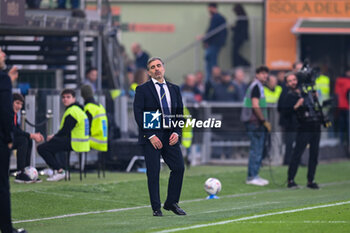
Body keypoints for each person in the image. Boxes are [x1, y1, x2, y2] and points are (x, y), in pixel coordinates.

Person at [133, 57, 186, 217]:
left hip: (170, 135)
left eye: (159, 66)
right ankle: (156, 208)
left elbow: (179, 112)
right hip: (152, 136)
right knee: (154, 172)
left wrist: (177, 131)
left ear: (163, 68)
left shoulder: (174, 89)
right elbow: (138, 114)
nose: (156, 69)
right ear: (149, 72)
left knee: (179, 168)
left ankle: (171, 203)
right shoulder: (142, 89)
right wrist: (150, 135)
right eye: (152, 67)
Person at [0, 48, 28, 233]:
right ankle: (7, 228)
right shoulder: (3, 80)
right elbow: (5, 110)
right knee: (2, 185)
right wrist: (9, 137)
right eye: (0, 52)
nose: (4, 54)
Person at [37, 89, 89, 182]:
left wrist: (54, 136)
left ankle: (60, 171)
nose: (65, 99)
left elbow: (65, 130)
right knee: (52, 145)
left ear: (74, 98)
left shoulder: (72, 111)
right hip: (82, 143)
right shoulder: (79, 110)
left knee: (42, 148)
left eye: (68, 97)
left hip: (74, 142)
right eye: (63, 97)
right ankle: (58, 169)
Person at [284, 73, 322, 189]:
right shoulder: (288, 96)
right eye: (290, 81)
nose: (293, 82)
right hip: (303, 126)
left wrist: (315, 97)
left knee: (314, 154)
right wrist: (296, 106)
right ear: (287, 84)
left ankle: (311, 180)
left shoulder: (306, 92)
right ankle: (291, 180)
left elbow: (315, 106)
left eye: (294, 79)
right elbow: (284, 112)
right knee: (297, 153)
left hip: (315, 125)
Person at [241, 65, 271, 186]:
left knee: (258, 149)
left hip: (256, 122)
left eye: (266, 73)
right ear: (257, 74)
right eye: (262, 73)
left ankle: (255, 175)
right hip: (255, 123)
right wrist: (263, 120)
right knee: (256, 150)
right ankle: (252, 176)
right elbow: (255, 105)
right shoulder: (256, 87)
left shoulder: (258, 86)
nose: (265, 75)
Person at [12, 93, 44, 183]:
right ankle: (20, 173)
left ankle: (27, 172)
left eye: (21, 104)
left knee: (28, 140)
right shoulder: (6, 113)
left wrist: (32, 135)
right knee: (23, 140)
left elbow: (17, 130)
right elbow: (13, 130)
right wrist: (32, 135)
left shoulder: (15, 115)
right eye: (17, 103)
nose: (19, 106)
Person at [203, 3, 227, 81]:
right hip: (214, 43)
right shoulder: (218, 18)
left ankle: (211, 79)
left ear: (212, 8)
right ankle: (211, 78)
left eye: (209, 9)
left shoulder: (216, 17)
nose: (208, 11)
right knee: (210, 59)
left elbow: (212, 30)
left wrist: (205, 39)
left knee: (211, 61)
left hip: (214, 43)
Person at [81, 85, 108, 152]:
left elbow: (86, 129)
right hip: (103, 142)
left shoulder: (88, 108)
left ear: (82, 96)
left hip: (94, 142)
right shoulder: (100, 107)